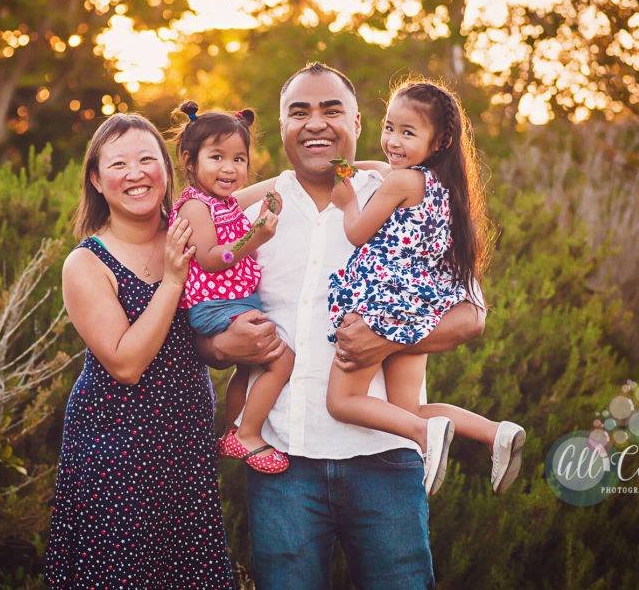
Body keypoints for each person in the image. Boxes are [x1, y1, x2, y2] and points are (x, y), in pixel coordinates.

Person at [198, 63, 488, 588]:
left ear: (357, 121)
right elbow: (201, 314)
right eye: (299, 112)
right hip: (282, 462)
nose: (316, 124)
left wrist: (390, 335)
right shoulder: (248, 211)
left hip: (386, 461)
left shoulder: (404, 197)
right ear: (281, 127)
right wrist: (220, 344)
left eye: (331, 110)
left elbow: (471, 315)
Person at [45, 113, 233, 588]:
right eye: (119, 163)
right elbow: (126, 363)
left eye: (148, 159)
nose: (136, 173)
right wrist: (172, 280)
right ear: (95, 178)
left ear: (167, 171)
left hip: (185, 448)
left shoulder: (192, 232)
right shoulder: (86, 263)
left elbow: (207, 338)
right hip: (115, 454)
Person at [326, 80, 525, 496]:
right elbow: (385, 170)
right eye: (388, 127)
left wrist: (348, 202)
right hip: (417, 309)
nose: (392, 141)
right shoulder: (446, 190)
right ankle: (494, 433)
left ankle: (424, 434)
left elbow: (359, 233)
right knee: (407, 407)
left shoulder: (402, 184)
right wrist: (355, 168)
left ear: (441, 140)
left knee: (341, 402)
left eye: (407, 132)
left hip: (378, 305)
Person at [168, 101, 294, 474]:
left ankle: (234, 430)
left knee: (248, 369)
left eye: (239, 159)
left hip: (235, 300)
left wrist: (270, 203)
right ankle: (249, 434)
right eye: (217, 157)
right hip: (216, 305)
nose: (229, 168)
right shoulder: (196, 206)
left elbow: (256, 199)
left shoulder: (222, 203)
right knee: (281, 359)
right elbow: (208, 257)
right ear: (190, 162)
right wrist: (256, 236)